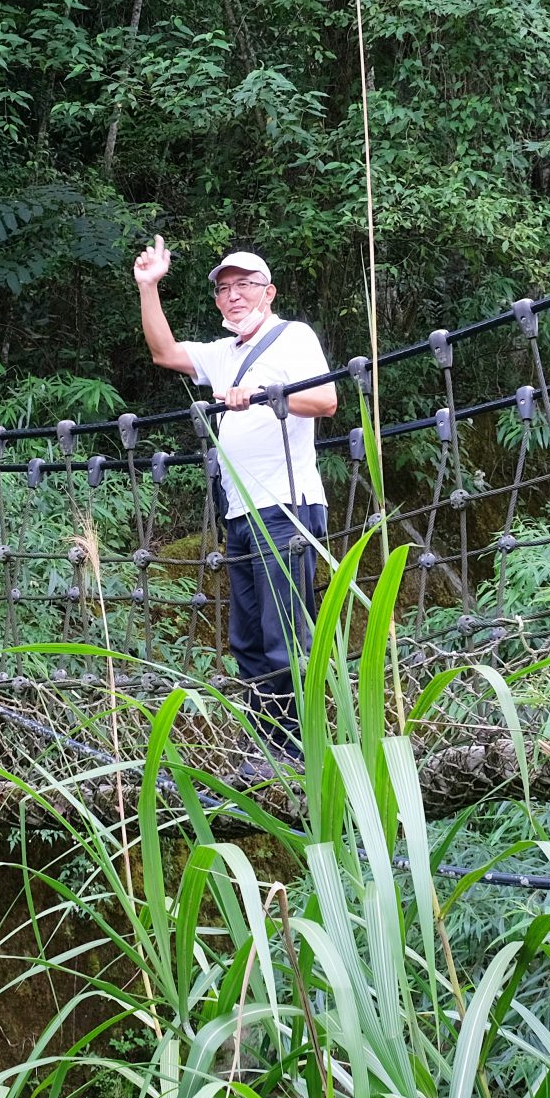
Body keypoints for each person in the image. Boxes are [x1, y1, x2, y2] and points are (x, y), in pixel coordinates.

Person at [132, 237, 340, 748]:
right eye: (224, 289)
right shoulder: (224, 354)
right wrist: (148, 285)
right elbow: (164, 353)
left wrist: (270, 397)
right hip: (241, 514)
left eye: (244, 285)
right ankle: (265, 749)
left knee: (282, 635)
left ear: (268, 292)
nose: (233, 296)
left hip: (287, 507)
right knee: (247, 638)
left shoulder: (294, 337)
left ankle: (293, 752)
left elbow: (327, 399)